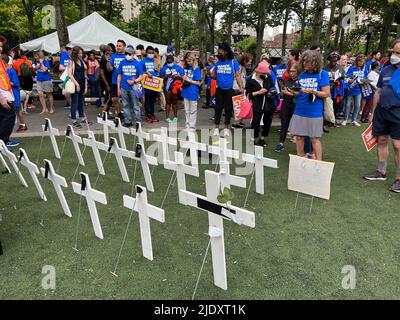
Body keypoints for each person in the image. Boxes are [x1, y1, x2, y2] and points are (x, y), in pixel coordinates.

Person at [363, 39, 400, 192]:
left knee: (398, 145)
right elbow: (378, 91)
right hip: (382, 112)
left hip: (398, 113)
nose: (394, 55)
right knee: (382, 140)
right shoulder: (385, 70)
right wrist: (372, 111)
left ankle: (399, 179)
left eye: (398, 53)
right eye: (393, 52)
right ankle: (381, 172)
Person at [287, 50, 330, 160]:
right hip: (300, 110)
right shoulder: (301, 75)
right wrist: (293, 91)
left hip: (314, 112)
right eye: (304, 61)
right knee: (299, 137)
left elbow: (326, 93)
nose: (304, 64)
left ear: (315, 62)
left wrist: (314, 92)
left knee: (314, 139)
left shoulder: (322, 74)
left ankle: (319, 162)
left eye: (307, 62)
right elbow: (301, 92)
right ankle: (300, 158)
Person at [211, 43, 244, 137]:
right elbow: (213, 75)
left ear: (226, 52)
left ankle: (226, 128)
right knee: (218, 108)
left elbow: (237, 75)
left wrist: (241, 87)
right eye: (219, 52)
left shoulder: (233, 62)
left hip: (229, 89)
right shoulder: (218, 63)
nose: (219, 54)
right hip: (219, 89)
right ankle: (216, 128)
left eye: (221, 52)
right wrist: (213, 75)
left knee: (228, 109)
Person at [245, 60, 277, 146]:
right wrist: (259, 92)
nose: (265, 75)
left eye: (266, 73)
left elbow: (273, 87)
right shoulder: (250, 80)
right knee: (255, 122)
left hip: (268, 104)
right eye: (263, 73)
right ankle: (253, 139)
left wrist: (271, 92)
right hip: (256, 104)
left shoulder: (268, 77)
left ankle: (262, 139)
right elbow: (248, 95)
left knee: (267, 122)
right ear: (257, 71)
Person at [274, 63, 299, 152]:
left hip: (297, 106)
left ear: (298, 71)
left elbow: (300, 94)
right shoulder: (287, 80)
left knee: (298, 126)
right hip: (286, 104)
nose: (291, 73)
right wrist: (292, 93)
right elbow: (283, 91)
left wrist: (290, 92)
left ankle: (300, 148)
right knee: (284, 124)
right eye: (290, 71)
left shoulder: (301, 80)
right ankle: (281, 143)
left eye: (293, 71)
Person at [117, 47, 144, 127]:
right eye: (126, 54)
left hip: (134, 87)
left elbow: (141, 76)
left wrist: (134, 81)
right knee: (125, 105)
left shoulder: (137, 63)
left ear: (133, 55)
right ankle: (128, 121)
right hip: (124, 87)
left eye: (129, 54)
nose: (127, 55)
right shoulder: (122, 62)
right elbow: (119, 75)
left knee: (136, 105)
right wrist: (118, 88)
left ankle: (138, 122)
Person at [342, 53, 367, 126]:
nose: (361, 63)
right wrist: (351, 80)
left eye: (362, 62)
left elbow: (365, 78)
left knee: (357, 105)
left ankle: (354, 120)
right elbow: (347, 78)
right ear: (357, 61)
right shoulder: (351, 68)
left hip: (358, 90)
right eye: (360, 61)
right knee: (347, 105)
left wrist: (364, 82)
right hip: (351, 89)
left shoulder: (363, 69)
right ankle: (345, 119)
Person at [0, 54, 19, 149]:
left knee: (6, 118)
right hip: (3, 96)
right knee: (8, 117)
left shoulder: (3, 66)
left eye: (1, 46)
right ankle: (3, 142)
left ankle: (5, 141)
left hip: (6, 95)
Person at [67, 46, 87, 129]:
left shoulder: (81, 61)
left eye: (81, 53)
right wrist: (76, 84)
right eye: (79, 53)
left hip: (82, 83)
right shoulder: (72, 62)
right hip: (75, 84)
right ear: (75, 54)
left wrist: (85, 85)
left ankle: (82, 117)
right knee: (75, 102)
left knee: (81, 102)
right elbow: (69, 73)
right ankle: (74, 120)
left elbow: (85, 71)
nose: (81, 54)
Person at [160, 54, 184, 122]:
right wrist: (166, 76)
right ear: (166, 62)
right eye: (168, 62)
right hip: (167, 87)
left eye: (171, 62)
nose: (170, 63)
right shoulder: (164, 68)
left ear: (173, 61)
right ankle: (167, 117)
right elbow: (161, 78)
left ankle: (175, 117)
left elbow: (183, 77)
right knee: (168, 102)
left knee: (175, 102)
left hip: (175, 87)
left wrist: (177, 76)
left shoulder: (178, 67)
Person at [181, 54, 202, 131]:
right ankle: (187, 126)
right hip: (185, 91)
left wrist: (189, 80)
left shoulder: (196, 69)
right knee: (187, 110)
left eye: (190, 61)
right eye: (187, 61)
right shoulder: (186, 68)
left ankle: (192, 126)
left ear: (193, 60)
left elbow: (199, 83)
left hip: (193, 91)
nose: (188, 62)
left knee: (193, 110)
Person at [2, 54, 21, 133]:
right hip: (5, 95)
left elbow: (16, 83)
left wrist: (7, 82)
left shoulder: (11, 70)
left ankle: (22, 124)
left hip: (13, 93)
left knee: (16, 109)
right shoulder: (3, 70)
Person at [232, 53, 252, 128]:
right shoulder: (239, 68)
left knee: (241, 105)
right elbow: (238, 78)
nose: (250, 63)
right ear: (244, 61)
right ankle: (235, 122)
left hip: (241, 88)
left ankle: (239, 121)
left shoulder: (243, 68)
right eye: (249, 61)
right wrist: (241, 87)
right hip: (238, 88)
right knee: (238, 105)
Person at [107, 39, 126, 119]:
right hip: (115, 81)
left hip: (125, 82)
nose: (118, 47)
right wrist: (108, 62)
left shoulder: (127, 56)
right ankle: (119, 114)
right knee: (114, 99)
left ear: (124, 47)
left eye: (120, 46)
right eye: (117, 46)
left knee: (127, 100)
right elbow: (110, 69)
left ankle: (128, 115)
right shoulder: (113, 56)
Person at [141, 45, 160, 122]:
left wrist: (158, 70)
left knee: (153, 100)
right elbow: (140, 71)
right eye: (149, 53)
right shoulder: (143, 61)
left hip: (154, 84)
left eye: (152, 53)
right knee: (147, 99)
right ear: (146, 53)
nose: (151, 54)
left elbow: (157, 71)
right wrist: (147, 72)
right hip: (146, 84)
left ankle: (152, 114)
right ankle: (148, 115)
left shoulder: (155, 61)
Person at [325, 51, 346, 119]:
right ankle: (328, 118)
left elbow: (343, 76)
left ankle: (335, 116)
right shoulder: (325, 68)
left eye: (335, 61)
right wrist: (329, 80)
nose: (333, 62)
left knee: (337, 103)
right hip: (328, 87)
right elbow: (322, 77)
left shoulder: (340, 67)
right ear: (329, 60)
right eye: (332, 61)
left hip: (337, 88)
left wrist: (340, 79)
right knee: (328, 104)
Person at [99, 44, 113, 115]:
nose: (111, 52)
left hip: (109, 80)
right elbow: (101, 72)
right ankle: (103, 114)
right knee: (108, 97)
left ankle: (106, 113)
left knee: (109, 97)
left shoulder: (108, 58)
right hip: (106, 81)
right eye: (110, 50)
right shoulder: (104, 59)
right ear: (107, 51)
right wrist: (107, 84)